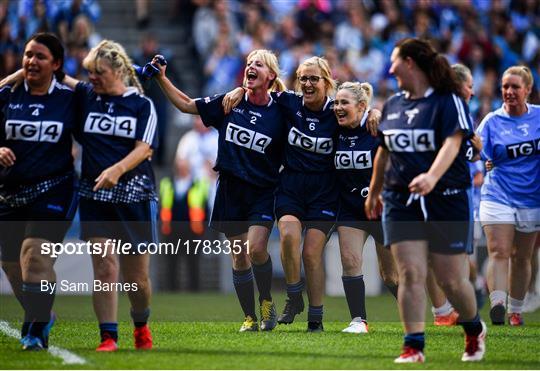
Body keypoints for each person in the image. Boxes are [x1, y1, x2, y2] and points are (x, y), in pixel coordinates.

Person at [223, 56, 380, 332]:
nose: (307, 83)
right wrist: (240, 90)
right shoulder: (289, 102)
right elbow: (260, 92)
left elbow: (362, 111)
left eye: (314, 78)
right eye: (303, 78)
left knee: (311, 254)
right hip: (291, 187)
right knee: (287, 236)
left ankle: (315, 319)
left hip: (325, 192)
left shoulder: (337, 110)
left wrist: (375, 112)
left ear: (326, 81)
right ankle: (294, 295)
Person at [366, 38, 486, 363]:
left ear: (410, 64)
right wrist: (375, 190)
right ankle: (413, 345)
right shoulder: (392, 104)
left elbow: (453, 142)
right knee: (410, 274)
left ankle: (473, 329)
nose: (389, 69)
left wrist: (432, 176)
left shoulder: (448, 101)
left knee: (450, 279)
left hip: (446, 199)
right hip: (400, 200)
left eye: (394, 61)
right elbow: (384, 150)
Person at [153, 49, 287, 332]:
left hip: (263, 191)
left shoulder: (281, 109)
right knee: (239, 256)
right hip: (230, 189)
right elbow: (187, 105)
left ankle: (266, 302)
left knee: (257, 249)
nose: (251, 67)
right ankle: (250, 316)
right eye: (249, 63)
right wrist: (162, 78)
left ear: (271, 76)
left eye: (259, 64)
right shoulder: (230, 102)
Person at [54, 40, 158, 351]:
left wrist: (116, 170)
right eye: (89, 72)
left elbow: (145, 148)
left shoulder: (141, 105)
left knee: (137, 280)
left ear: (118, 71)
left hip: (135, 196)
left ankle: (141, 324)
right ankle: (108, 337)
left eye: (98, 72)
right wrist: (17, 75)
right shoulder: (87, 95)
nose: (92, 78)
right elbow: (56, 76)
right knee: (105, 265)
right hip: (95, 195)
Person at [0, 33, 79, 350]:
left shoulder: (68, 99)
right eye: (28, 55)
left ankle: (34, 330)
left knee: (34, 256)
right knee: (11, 267)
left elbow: (97, 97)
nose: (32, 61)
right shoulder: (9, 95)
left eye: (40, 56)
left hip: (54, 191)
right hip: (10, 194)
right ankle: (42, 313)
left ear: (56, 63)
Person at [333, 81, 398, 334]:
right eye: (336, 102)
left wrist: (376, 112)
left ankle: (410, 313)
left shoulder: (377, 128)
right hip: (349, 208)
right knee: (350, 261)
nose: (337, 107)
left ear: (361, 106)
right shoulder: (332, 128)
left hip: (381, 209)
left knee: (391, 276)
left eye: (344, 103)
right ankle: (358, 320)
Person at [477, 65, 540, 326]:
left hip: (531, 198)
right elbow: (476, 151)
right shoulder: (492, 121)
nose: (509, 91)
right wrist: (483, 161)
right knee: (499, 251)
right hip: (497, 194)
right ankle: (498, 304)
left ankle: (516, 309)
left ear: (528, 90)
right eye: (505, 86)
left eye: (515, 87)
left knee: (523, 256)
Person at [426, 63, 486, 326]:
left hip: (459, 196)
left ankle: (473, 290)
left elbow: (473, 157)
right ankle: (442, 311)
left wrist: (476, 151)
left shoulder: (465, 117)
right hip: (431, 194)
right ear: (457, 85)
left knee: (458, 257)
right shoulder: (435, 110)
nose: (471, 92)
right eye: (469, 86)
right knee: (430, 254)